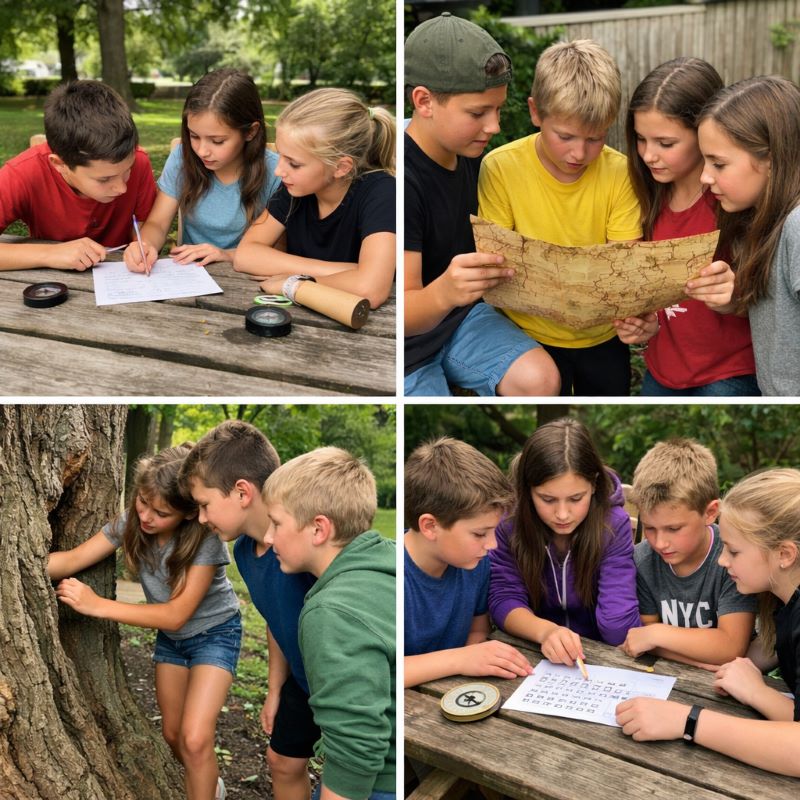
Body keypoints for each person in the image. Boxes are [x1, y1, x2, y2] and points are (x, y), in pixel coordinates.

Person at [48, 444, 240, 800]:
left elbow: (176, 613)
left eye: (161, 512)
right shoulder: (133, 522)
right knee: (172, 734)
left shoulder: (204, 540)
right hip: (172, 641)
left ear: (186, 513)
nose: (147, 516)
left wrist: (97, 605)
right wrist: (22, 561)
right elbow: (73, 559)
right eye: (143, 502)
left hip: (215, 634)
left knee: (195, 737)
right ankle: (210, 785)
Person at [403, 13, 560, 397]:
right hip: (405, 343)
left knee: (541, 380)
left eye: (498, 109)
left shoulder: (473, 152)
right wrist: (444, 292)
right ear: (424, 101)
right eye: (478, 113)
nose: (494, 126)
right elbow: (404, 312)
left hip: (463, 318)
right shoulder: (401, 180)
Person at [477, 39, 641, 395]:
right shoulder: (500, 168)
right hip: (526, 335)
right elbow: (497, 264)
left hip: (602, 335)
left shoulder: (622, 174)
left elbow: (623, 264)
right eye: (564, 136)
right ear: (536, 112)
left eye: (595, 139)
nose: (579, 153)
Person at [616, 468, 800, 777]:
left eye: (734, 551)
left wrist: (688, 720)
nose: (723, 560)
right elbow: (766, 652)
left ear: (784, 554)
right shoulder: (781, 599)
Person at [178, 420, 318, 800]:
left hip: (336, 682)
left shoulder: (303, 547)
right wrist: (275, 689)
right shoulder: (242, 551)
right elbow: (276, 620)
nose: (202, 519)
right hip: (300, 682)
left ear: (242, 492)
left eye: (205, 505)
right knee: (282, 762)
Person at [614, 58, 758, 396]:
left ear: (705, 133)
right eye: (640, 139)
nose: (649, 155)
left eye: (666, 143)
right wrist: (642, 324)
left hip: (729, 372)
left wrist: (735, 298)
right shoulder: (642, 195)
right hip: (663, 370)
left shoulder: (733, 199)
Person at [262, 448, 395, 800]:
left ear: (319, 529)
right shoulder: (388, 560)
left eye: (276, 523)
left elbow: (357, 747)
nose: (269, 538)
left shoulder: (332, 612)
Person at [488, 418, 640, 668]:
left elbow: (617, 621)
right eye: (547, 499)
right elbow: (504, 598)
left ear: (593, 484)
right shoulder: (508, 523)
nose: (562, 514)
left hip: (601, 656)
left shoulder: (613, 525)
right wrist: (545, 632)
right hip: (533, 651)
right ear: (528, 490)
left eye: (575, 498)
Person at [234, 88, 395, 309]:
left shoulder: (383, 193)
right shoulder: (295, 189)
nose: (279, 171)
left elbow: (371, 289)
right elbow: (245, 255)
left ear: (341, 167)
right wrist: (349, 271)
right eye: (281, 156)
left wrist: (293, 284)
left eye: (294, 163)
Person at [695, 76, 800, 395]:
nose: (704, 176)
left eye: (718, 163)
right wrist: (733, 299)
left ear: (770, 160)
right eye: (704, 160)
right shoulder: (758, 216)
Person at [404, 437, 532, 688]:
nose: (493, 544)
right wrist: (461, 659)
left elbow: (477, 630)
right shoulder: (391, 578)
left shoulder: (475, 563)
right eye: (479, 534)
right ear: (430, 526)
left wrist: (477, 655)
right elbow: (384, 671)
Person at [124, 68, 280, 272]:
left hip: (244, 277)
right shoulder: (182, 157)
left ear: (250, 132)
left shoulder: (277, 171)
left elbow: (278, 249)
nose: (202, 151)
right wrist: (144, 245)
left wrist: (226, 255)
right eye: (194, 136)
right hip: (189, 273)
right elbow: (158, 224)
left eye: (217, 141)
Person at [621, 439, 755, 668]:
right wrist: (700, 660)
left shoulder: (731, 560)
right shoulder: (642, 560)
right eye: (650, 528)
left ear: (710, 512)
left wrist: (657, 633)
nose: (660, 543)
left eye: (673, 529)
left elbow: (731, 646)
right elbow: (641, 640)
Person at [0, 80, 157, 270]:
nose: (122, 188)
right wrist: (50, 253)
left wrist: (142, 245)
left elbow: (143, 225)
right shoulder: (22, 174)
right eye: (104, 179)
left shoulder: (139, 162)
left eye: (127, 171)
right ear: (59, 164)